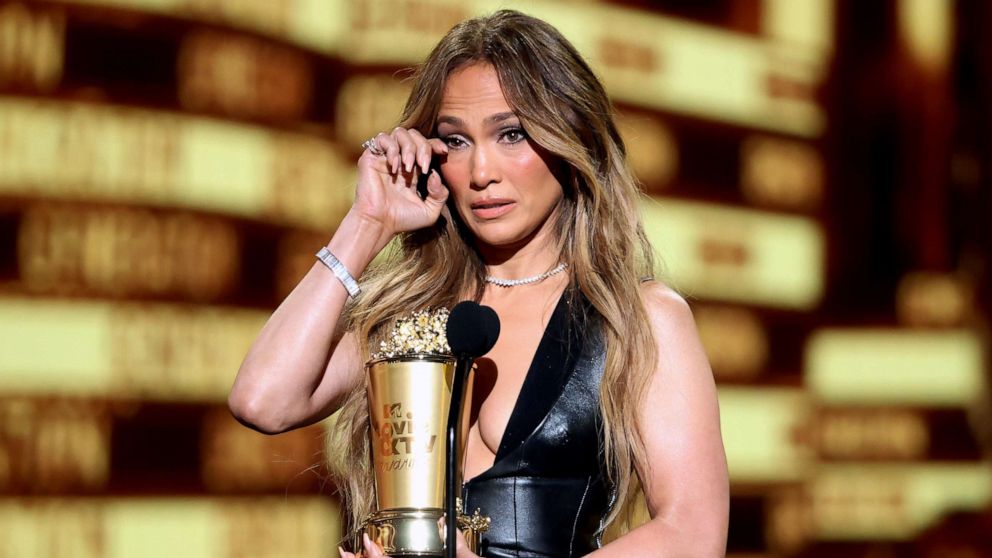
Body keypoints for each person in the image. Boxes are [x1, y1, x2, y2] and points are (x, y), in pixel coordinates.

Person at [229, 9, 728, 558]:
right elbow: (263, 401)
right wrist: (366, 224)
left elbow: (692, 533)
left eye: (511, 134)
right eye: (456, 141)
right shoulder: (411, 318)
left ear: (569, 137)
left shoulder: (636, 317)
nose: (481, 171)